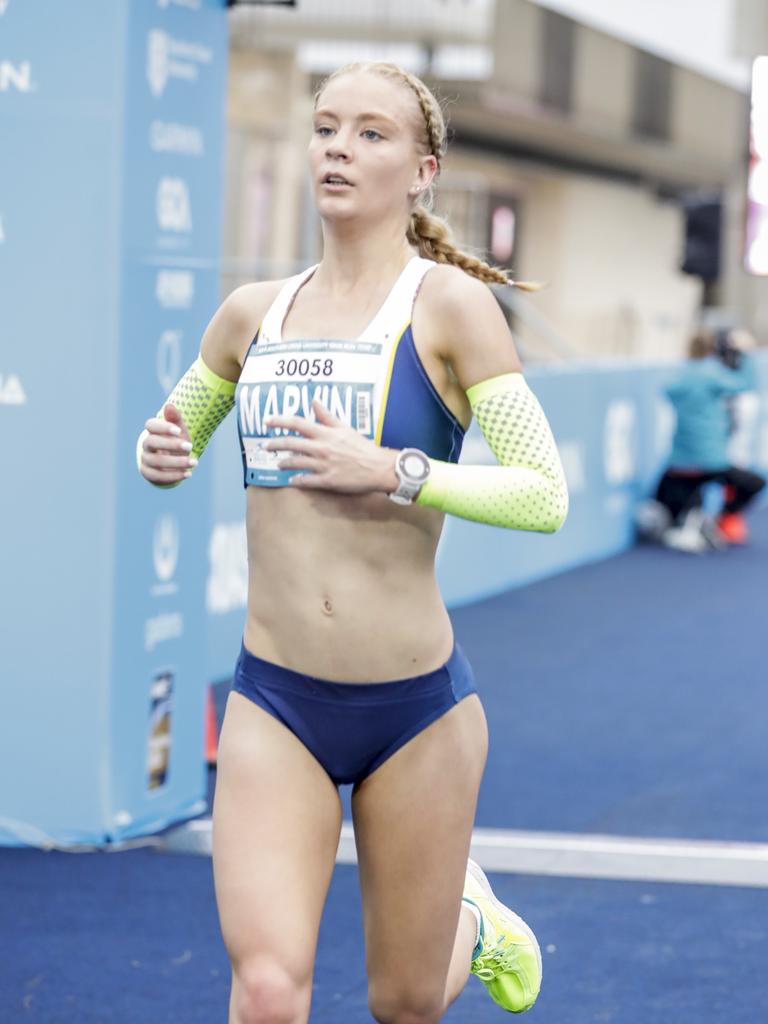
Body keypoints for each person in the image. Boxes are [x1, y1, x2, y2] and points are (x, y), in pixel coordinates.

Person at [138, 61, 568, 1024]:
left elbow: (544, 495)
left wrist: (398, 471)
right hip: (275, 698)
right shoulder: (251, 313)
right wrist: (157, 451)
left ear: (423, 170)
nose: (338, 147)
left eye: (370, 133)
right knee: (268, 986)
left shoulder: (450, 308)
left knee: (404, 1003)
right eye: (326, 128)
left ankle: (475, 923)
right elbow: (167, 436)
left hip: (416, 711)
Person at [649, 328, 765, 553]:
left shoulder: (679, 377)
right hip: (710, 460)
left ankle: (689, 520)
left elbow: (668, 391)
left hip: (679, 460)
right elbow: (746, 384)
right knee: (754, 484)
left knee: (675, 493)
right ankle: (718, 518)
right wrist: (745, 352)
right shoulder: (712, 375)